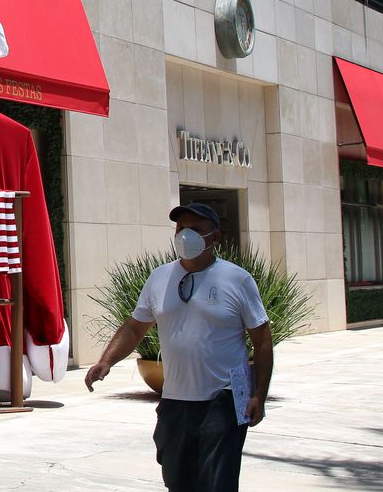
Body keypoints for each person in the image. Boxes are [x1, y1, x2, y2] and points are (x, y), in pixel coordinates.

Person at [85, 203, 274, 492]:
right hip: (175, 401)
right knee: (177, 480)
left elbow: (262, 340)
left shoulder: (237, 279)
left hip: (222, 400)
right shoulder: (159, 278)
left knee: (217, 483)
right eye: (180, 228)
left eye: (196, 229)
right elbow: (136, 326)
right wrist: (106, 361)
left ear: (215, 237)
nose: (186, 235)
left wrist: (259, 394)